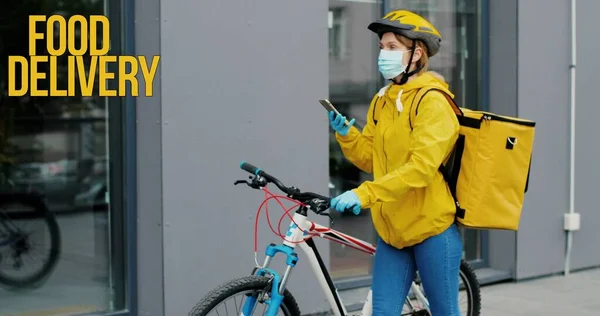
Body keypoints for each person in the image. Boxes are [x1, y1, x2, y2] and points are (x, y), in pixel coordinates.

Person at [328, 10, 463, 316]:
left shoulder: (433, 101)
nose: (383, 54)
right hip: (392, 233)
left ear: (416, 54)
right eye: (381, 47)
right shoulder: (382, 100)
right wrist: (347, 134)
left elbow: (421, 169)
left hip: (432, 230)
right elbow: (369, 157)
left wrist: (364, 194)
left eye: (392, 47)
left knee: (445, 312)